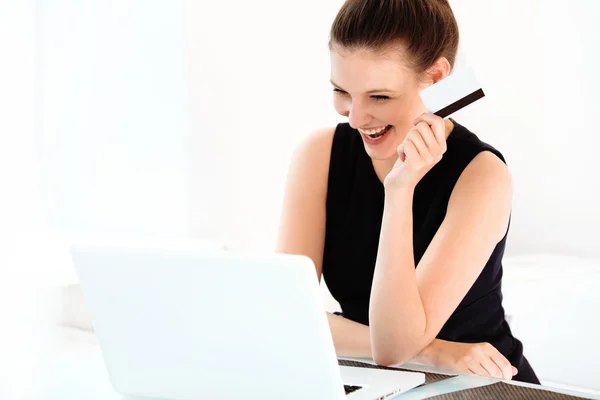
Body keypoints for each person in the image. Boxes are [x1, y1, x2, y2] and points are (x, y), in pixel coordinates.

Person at [275, 0, 540, 385]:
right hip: (384, 379)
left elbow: (393, 345)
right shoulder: (318, 155)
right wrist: (436, 350)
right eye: (342, 91)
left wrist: (399, 192)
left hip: (478, 384)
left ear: (435, 77)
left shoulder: (482, 177)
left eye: (380, 97)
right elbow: (283, 315)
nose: (355, 117)